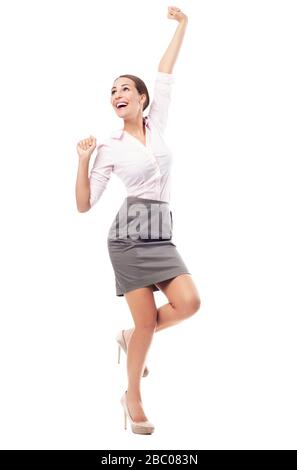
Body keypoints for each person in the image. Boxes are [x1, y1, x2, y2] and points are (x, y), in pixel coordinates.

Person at [75, 6, 201, 435]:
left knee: (190, 303)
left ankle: (131, 340)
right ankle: (133, 398)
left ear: (142, 98)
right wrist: (82, 160)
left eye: (125, 88)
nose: (116, 94)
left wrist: (183, 25)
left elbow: (165, 70)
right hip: (128, 238)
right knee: (147, 321)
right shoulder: (107, 146)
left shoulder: (157, 123)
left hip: (161, 232)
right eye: (112, 91)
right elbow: (84, 204)